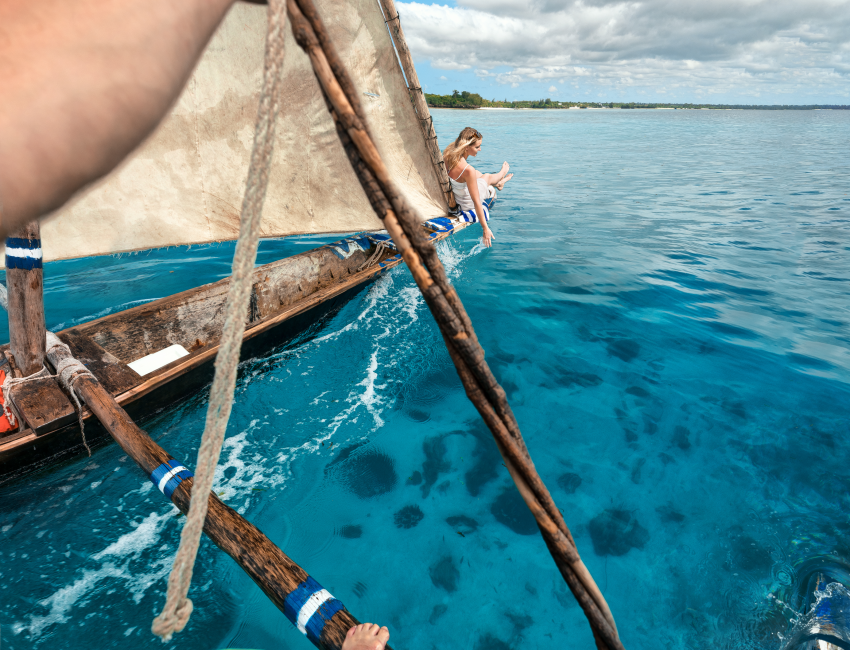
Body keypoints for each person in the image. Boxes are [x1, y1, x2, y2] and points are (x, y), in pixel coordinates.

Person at [443, 127, 513, 247]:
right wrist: (485, 228)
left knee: (477, 173)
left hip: (459, 194)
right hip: (467, 202)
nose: (479, 149)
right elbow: (476, 202)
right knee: (486, 177)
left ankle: (498, 183)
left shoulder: (448, 155)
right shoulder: (467, 170)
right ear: (466, 147)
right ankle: (501, 176)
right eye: (477, 147)